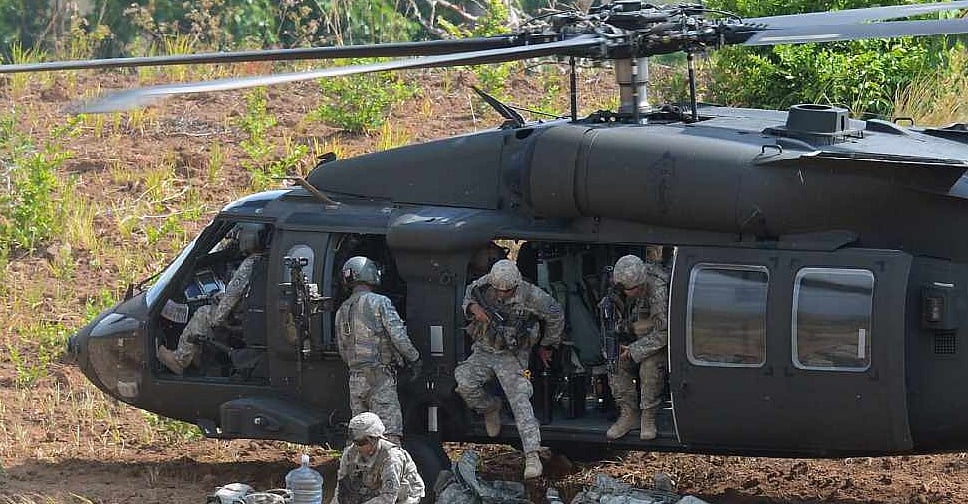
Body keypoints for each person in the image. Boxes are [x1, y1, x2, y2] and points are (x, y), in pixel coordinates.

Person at [455, 259, 564, 479]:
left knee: (520, 399)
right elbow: (468, 294)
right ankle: (490, 408)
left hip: (512, 355)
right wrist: (473, 308)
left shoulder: (533, 296)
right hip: (485, 349)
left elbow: (556, 315)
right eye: (498, 290)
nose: (501, 295)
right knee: (464, 383)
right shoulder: (487, 284)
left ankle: (532, 455)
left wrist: (546, 345)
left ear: (516, 284)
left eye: (506, 291)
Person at [158, 223, 267, 375]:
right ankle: (197, 356)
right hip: (258, 316)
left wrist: (218, 312)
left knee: (203, 313)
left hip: (244, 320)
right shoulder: (271, 261)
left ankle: (180, 359)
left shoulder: (251, 265)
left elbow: (227, 305)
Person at [336, 256, 422, 444]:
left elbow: (343, 349)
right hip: (380, 379)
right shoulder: (379, 302)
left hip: (356, 380)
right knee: (389, 434)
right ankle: (391, 473)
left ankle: (360, 472)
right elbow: (398, 336)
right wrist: (415, 359)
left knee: (361, 436)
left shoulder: (342, 310)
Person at [604, 253, 669, 441]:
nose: (624, 292)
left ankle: (648, 415)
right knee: (614, 362)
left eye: (628, 289)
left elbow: (664, 332)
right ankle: (628, 413)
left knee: (650, 368)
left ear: (640, 285)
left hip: (658, 344)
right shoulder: (622, 285)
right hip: (637, 338)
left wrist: (634, 350)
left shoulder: (657, 290)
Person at [332, 412, 426, 504]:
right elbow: (340, 488)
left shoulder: (391, 458)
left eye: (361, 442)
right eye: (354, 441)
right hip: (374, 490)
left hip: (403, 495)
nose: (357, 447)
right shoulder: (350, 453)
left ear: (374, 439)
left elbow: (388, 498)